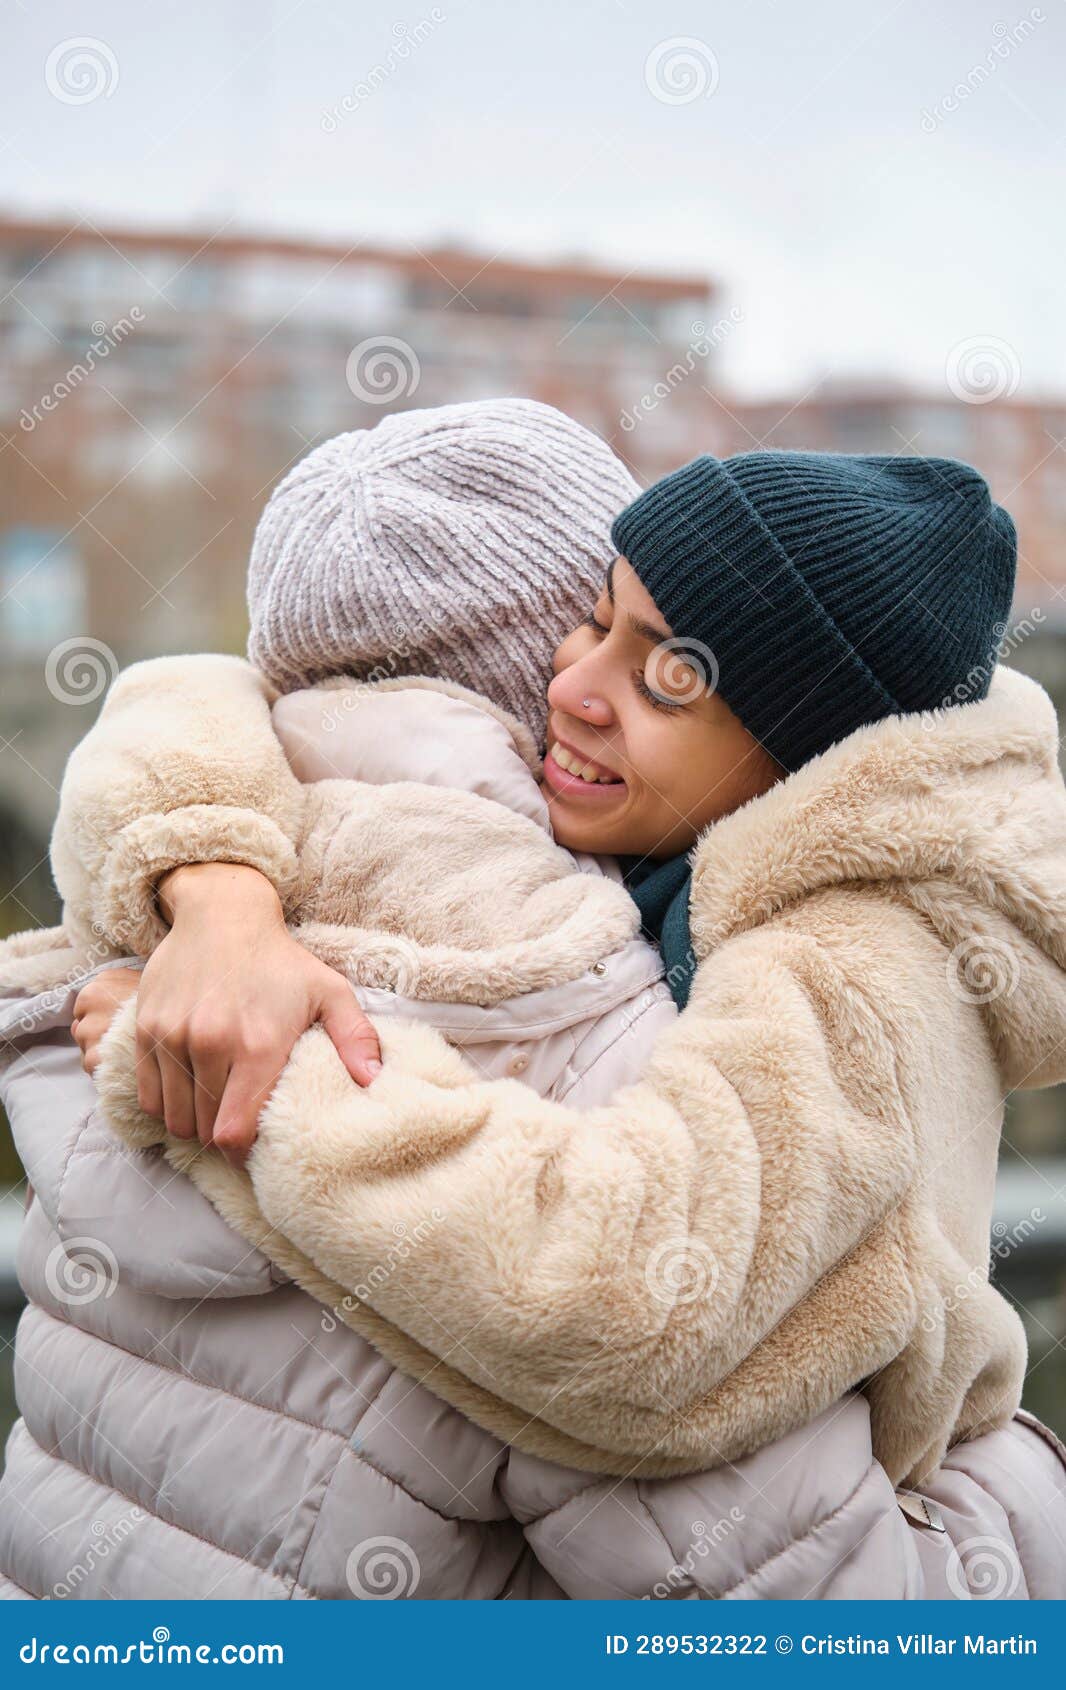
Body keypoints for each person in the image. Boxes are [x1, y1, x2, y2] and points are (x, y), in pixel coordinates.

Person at [4, 414, 1066, 1597]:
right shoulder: (651, 900)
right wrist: (216, 898)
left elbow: (625, 1302)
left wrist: (259, 1069)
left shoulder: (841, 967)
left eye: (666, 676)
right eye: (595, 619)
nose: (574, 682)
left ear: (803, 749)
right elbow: (204, 687)